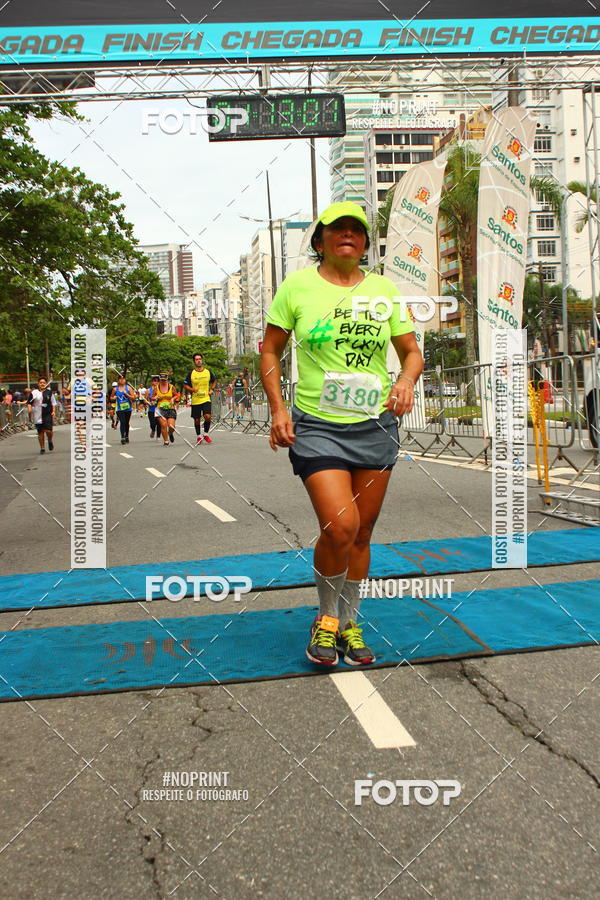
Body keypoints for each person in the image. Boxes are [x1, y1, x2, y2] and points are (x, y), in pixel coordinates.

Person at [261, 201, 423, 667]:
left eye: (357, 230)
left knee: (363, 532)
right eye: (337, 229)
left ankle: (351, 623)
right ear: (320, 241)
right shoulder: (297, 287)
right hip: (317, 424)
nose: (347, 235)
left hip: (374, 426)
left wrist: (405, 381)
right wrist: (277, 408)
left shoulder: (383, 290)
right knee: (340, 525)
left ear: (366, 244)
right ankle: (326, 617)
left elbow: (411, 352)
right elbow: (270, 351)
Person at [183, 353, 216, 445]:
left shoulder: (208, 372)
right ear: (194, 361)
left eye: (200, 359)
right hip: (196, 400)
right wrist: (192, 389)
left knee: (208, 416)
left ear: (202, 360)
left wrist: (211, 389)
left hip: (206, 398)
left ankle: (206, 434)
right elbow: (185, 385)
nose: (198, 360)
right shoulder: (191, 373)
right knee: (197, 419)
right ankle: (199, 436)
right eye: (197, 359)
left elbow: (214, 381)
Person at [26, 376, 56, 453]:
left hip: (47, 414)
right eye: (41, 383)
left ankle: (49, 440)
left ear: (46, 384)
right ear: (38, 384)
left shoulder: (49, 392)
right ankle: (42, 448)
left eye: (44, 383)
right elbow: (29, 402)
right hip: (37, 414)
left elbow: (53, 403)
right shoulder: (34, 393)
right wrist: (29, 409)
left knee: (48, 431)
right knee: (40, 432)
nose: (42, 384)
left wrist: (53, 411)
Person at [154, 372, 179, 446]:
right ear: (159, 380)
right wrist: (155, 398)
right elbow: (152, 397)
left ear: (167, 379)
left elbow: (176, 395)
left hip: (170, 408)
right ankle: (166, 441)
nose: (163, 381)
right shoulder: (156, 388)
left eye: (164, 380)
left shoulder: (171, 387)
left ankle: (170, 433)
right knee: (164, 425)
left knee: (171, 426)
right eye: (161, 380)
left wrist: (172, 399)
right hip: (160, 408)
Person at [110, 375, 136, 445]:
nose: (122, 380)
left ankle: (127, 435)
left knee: (126, 423)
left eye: (123, 379)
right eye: (120, 379)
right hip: (119, 409)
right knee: (122, 422)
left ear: (125, 380)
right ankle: (122, 437)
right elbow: (111, 397)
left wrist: (127, 394)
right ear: (118, 380)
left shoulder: (128, 388)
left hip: (128, 408)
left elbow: (133, 398)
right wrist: (114, 397)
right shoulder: (115, 389)